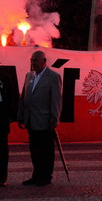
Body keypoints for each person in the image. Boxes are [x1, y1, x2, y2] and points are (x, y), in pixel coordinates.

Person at [17, 50, 62, 186]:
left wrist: (54, 118)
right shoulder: (28, 76)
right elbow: (24, 97)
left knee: (46, 150)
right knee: (35, 150)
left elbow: (56, 99)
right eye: (31, 60)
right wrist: (21, 116)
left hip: (45, 120)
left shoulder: (53, 77)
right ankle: (36, 175)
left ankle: (46, 176)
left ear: (44, 61)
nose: (33, 63)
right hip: (31, 119)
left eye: (36, 60)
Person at [0, 69, 18, 187]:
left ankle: (1, 178)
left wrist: (12, 116)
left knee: (1, 150)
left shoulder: (5, 77)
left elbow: (12, 97)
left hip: (1, 118)